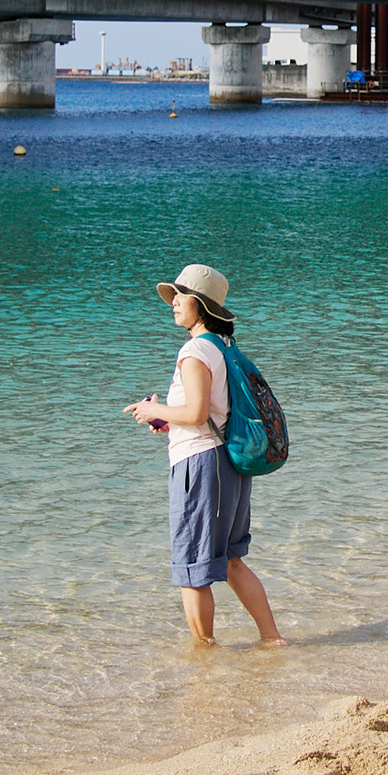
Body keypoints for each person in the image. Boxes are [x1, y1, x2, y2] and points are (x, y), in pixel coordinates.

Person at [125, 264, 287, 648]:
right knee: (231, 561)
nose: (174, 303)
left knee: (191, 570)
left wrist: (155, 411)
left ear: (199, 304)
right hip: (227, 465)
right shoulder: (225, 347)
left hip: (200, 467)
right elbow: (214, 413)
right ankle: (272, 640)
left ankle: (205, 659)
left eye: (181, 296)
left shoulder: (195, 350)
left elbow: (197, 414)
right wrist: (167, 421)